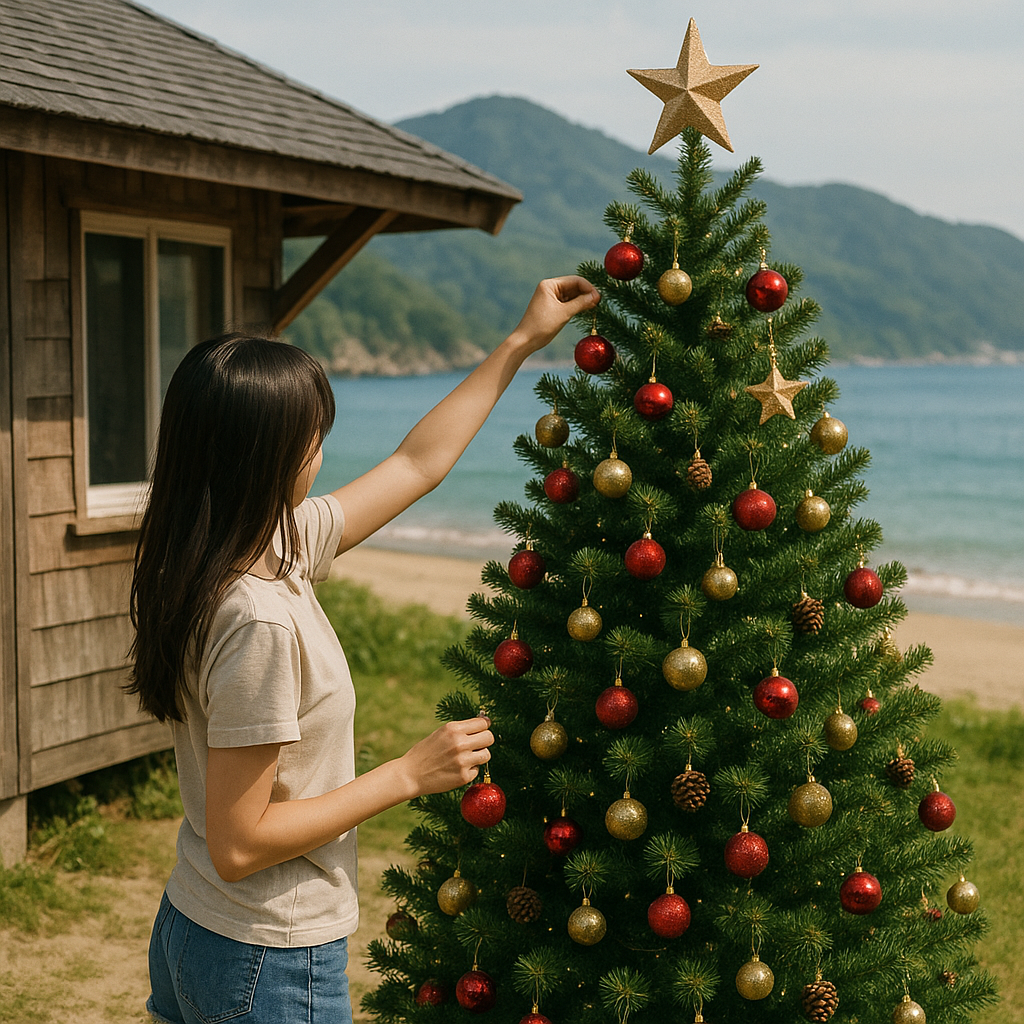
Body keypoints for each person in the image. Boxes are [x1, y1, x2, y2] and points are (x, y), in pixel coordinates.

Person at [128, 275, 600, 1024]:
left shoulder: (225, 553)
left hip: (196, 928)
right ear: (267, 458)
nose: (322, 452)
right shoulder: (258, 619)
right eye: (313, 437)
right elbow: (241, 844)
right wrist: (409, 774)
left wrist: (518, 343)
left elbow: (417, 465)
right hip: (266, 953)